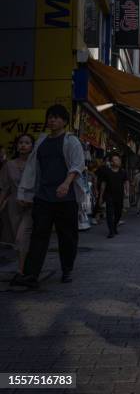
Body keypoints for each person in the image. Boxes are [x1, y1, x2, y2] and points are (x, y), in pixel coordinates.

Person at [12, 104, 86, 288]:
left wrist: (66, 183)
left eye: (57, 117)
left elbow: (77, 165)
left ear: (65, 121)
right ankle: (31, 275)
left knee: (67, 236)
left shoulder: (71, 141)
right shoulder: (41, 141)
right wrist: (25, 192)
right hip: (43, 197)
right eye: (50, 117)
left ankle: (67, 269)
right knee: (39, 236)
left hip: (66, 198)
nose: (52, 120)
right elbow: (31, 169)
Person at [0, 134, 34, 273]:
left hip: (31, 205)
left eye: (27, 142)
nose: (23, 145)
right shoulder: (9, 165)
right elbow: (4, 188)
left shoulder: (36, 165)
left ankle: (21, 270)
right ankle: (26, 267)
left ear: (32, 146)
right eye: (21, 142)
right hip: (14, 206)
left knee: (22, 237)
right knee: (18, 239)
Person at [99, 154, 129, 239]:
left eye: (118, 160)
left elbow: (126, 182)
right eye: (115, 160)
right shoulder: (107, 172)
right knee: (109, 213)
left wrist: (127, 192)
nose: (117, 161)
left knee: (118, 213)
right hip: (109, 195)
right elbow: (103, 184)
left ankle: (114, 225)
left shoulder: (123, 172)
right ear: (111, 162)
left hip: (119, 196)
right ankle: (111, 231)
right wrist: (101, 196)